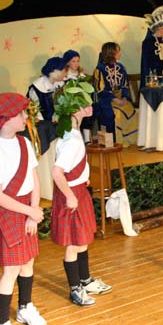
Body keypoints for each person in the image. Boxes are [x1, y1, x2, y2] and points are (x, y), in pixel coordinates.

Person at [0, 92, 47, 325]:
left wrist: (33, 210)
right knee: (11, 270)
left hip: (26, 209)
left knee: (28, 261)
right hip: (7, 212)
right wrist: (28, 210)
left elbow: (34, 179)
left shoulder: (24, 142)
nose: (25, 118)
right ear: (7, 118)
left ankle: (24, 307)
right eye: (21, 114)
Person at [51, 90, 111, 306]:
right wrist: (69, 196)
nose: (91, 106)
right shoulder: (72, 140)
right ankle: (75, 288)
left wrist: (82, 176)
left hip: (78, 189)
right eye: (85, 103)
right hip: (72, 194)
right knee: (73, 243)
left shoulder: (74, 134)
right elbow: (57, 172)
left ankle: (85, 280)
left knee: (83, 238)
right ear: (74, 109)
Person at [93, 42, 138, 147]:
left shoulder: (121, 67)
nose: (120, 53)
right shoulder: (99, 69)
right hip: (106, 100)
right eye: (118, 51)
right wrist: (114, 99)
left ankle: (129, 139)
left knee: (130, 109)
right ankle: (116, 141)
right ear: (111, 53)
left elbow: (125, 85)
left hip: (120, 98)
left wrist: (124, 97)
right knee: (114, 114)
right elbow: (100, 89)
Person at [140, 5, 163, 88]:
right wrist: (148, 79)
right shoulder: (148, 43)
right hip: (155, 79)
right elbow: (145, 63)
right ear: (160, 28)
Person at [63, 49, 94, 143]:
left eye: (78, 61)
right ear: (67, 62)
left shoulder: (82, 74)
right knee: (76, 112)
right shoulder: (64, 75)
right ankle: (76, 137)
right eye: (73, 61)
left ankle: (87, 139)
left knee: (87, 111)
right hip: (70, 101)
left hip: (82, 100)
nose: (76, 63)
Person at [27, 56, 67, 122]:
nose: (65, 74)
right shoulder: (37, 88)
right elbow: (35, 112)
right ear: (55, 71)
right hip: (43, 124)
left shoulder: (61, 84)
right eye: (64, 71)